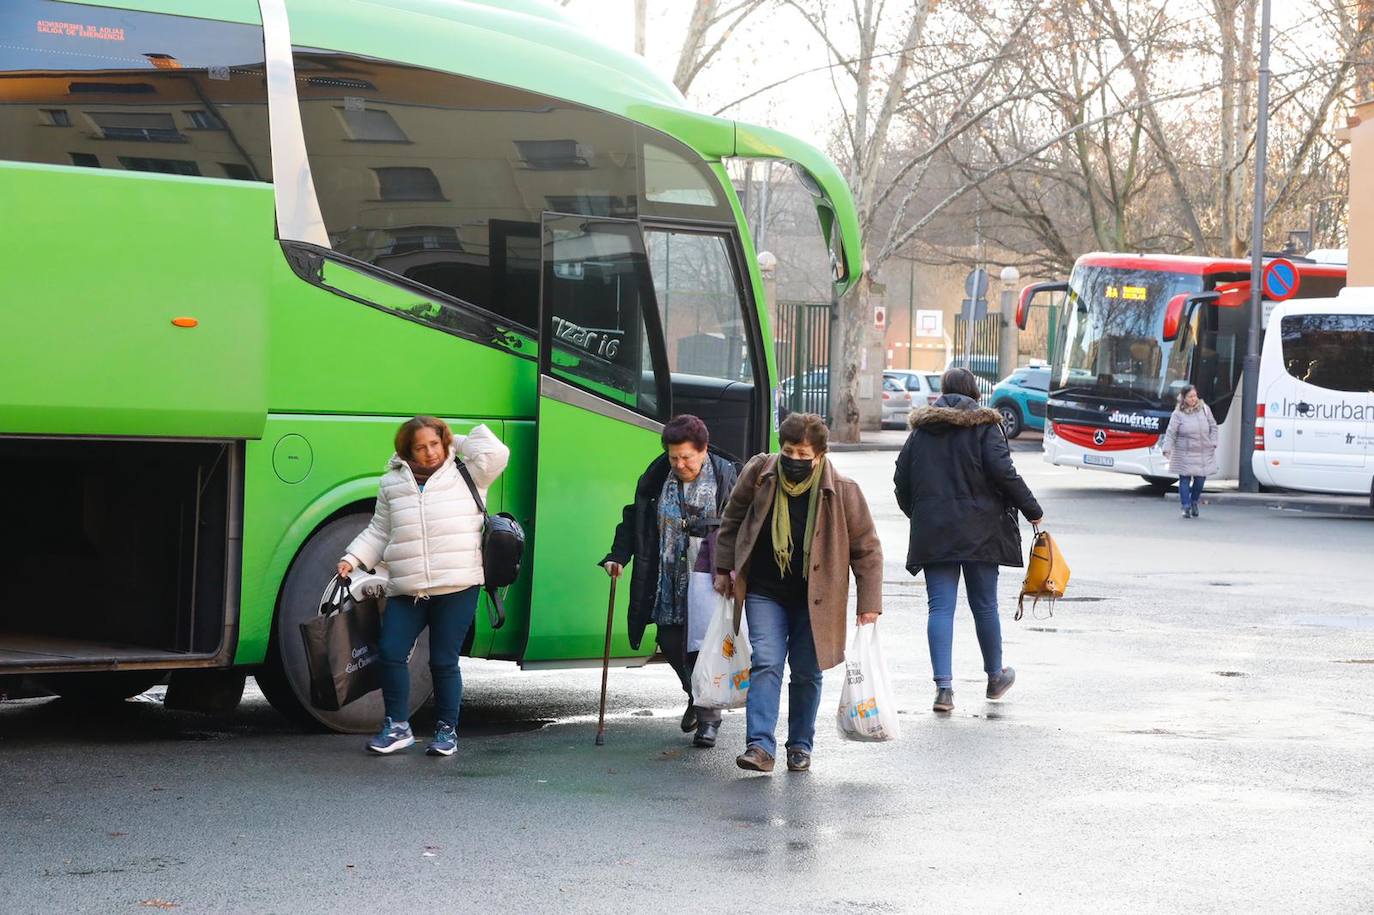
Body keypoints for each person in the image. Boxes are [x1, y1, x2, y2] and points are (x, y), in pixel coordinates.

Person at [714, 413, 883, 773]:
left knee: (807, 672)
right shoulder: (761, 473)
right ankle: (759, 746)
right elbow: (732, 519)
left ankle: (800, 745)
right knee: (767, 661)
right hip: (765, 589)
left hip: (817, 599)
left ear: (820, 455)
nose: (794, 460)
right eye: (789, 451)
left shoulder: (843, 491)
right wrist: (722, 568)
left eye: (803, 455)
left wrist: (869, 604)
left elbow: (867, 549)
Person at [337, 416, 510, 756]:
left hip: (457, 585)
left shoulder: (468, 471)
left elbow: (496, 450)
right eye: (421, 447)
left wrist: (451, 440)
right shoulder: (392, 482)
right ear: (406, 450)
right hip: (408, 587)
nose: (430, 452)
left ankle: (447, 731)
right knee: (390, 651)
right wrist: (353, 558)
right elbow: (379, 530)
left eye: (434, 444)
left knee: (444, 661)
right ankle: (397, 726)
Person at [893, 368, 1042, 714]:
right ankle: (995, 677)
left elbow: (901, 479)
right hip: (981, 529)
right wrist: (1032, 510)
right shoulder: (985, 426)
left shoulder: (921, 431)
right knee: (985, 605)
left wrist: (919, 513)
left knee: (940, 607)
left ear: (943, 392)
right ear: (975, 392)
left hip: (935, 531)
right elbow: (1004, 473)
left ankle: (943, 690)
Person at [600, 415, 740, 748]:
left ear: (703, 450)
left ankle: (709, 718)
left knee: (701, 649)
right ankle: (695, 695)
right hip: (667, 578)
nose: (679, 464)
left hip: (708, 578)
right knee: (671, 642)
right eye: (674, 456)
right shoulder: (657, 476)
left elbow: (742, 525)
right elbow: (635, 518)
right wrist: (617, 556)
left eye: (686, 457)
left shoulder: (726, 475)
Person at [1162, 385, 1218, 519]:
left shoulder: (1205, 409)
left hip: (1203, 451)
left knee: (1200, 480)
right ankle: (1185, 506)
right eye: (1190, 397)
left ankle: (1194, 501)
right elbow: (1171, 432)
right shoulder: (1178, 414)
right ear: (1184, 398)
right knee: (1185, 479)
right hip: (1184, 452)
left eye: (1195, 396)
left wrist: (1213, 442)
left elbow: (1213, 426)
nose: (1194, 399)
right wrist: (1167, 448)